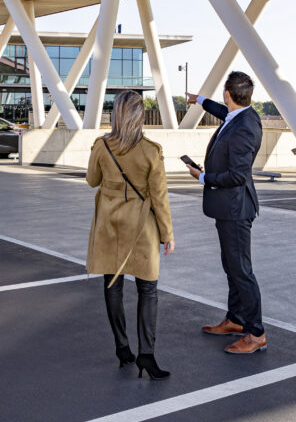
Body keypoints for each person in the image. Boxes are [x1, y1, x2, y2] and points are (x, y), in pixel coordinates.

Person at [86, 90, 175, 380]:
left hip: (109, 224)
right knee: (148, 289)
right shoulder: (151, 150)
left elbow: (91, 181)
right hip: (142, 226)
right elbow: (160, 197)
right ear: (139, 115)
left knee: (113, 284)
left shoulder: (101, 145)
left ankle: (123, 348)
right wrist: (167, 234)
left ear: (116, 115)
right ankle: (146, 355)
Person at [185, 71, 266, 354]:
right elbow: (223, 111)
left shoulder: (245, 126)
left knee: (241, 271)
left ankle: (256, 334)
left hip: (236, 209)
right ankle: (236, 319)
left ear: (228, 94)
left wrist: (202, 177)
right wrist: (199, 100)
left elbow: (237, 175)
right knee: (232, 267)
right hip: (228, 208)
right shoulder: (238, 115)